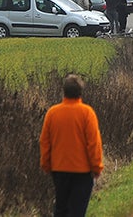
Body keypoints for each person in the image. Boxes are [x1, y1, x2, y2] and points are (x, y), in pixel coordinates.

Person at [40, 74, 103, 217]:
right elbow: (93, 143)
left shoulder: (52, 113)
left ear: (64, 91)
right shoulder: (87, 113)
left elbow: (45, 142)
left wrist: (46, 164)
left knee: (61, 209)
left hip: (59, 170)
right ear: (80, 92)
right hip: (83, 171)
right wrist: (97, 167)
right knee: (77, 211)